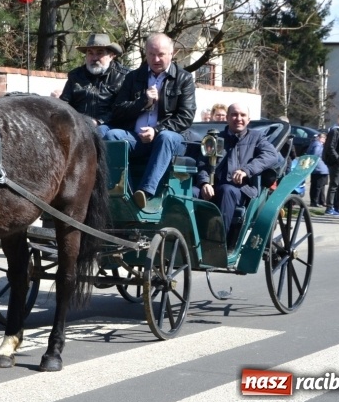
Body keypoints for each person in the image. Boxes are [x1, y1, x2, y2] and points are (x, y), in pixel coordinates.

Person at [102, 32, 196, 208]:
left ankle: (145, 191)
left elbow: (186, 116)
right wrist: (142, 102)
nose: (156, 59)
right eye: (152, 54)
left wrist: (157, 130)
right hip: (136, 138)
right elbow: (117, 111)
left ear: (172, 53)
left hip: (170, 139)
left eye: (161, 54)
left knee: (165, 137)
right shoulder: (133, 77)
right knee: (113, 135)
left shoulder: (183, 79)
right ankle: (123, 191)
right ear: (146, 54)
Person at [195, 103, 279, 246]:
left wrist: (247, 170)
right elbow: (202, 163)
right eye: (234, 114)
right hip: (213, 187)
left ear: (248, 119)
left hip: (242, 189)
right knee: (189, 193)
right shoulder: (215, 138)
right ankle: (185, 241)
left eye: (242, 115)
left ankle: (217, 244)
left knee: (227, 190)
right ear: (227, 118)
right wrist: (204, 183)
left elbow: (271, 155)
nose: (238, 118)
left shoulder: (257, 137)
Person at [59, 32, 128, 135]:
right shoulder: (75, 76)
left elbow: (122, 109)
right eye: (90, 53)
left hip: (111, 127)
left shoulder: (123, 76)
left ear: (111, 55)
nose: (94, 58)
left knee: (98, 132)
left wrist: (98, 122)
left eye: (99, 53)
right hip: (78, 125)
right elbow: (65, 103)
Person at [323, 112, 339, 216]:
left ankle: (336, 207)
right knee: (334, 185)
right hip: (335, 162)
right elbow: (330, 147)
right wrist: (338, 159)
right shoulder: (334, 131)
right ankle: (329, 208)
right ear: (338, 121)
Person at [307, 132, 328, 208]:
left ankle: (320, 201)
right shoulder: (318, 145)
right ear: (320, 138)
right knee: (318, 186)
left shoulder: (313, 143)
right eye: (324, 138)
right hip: (320, 168)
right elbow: (315, 155)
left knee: (315, 185)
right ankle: (315, 202)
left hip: (316, 169)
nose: (325, 140)